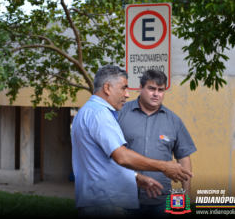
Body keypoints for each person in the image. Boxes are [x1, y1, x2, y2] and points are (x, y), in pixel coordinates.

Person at [71, 65, 194, 218]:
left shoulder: (88, 111)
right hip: (107, 201)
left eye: (160, 90)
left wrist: (135, 178)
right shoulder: (107, 114)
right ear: (108, 88)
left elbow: (103, 162)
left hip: (156, 199)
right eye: (123, 88)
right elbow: (121, 156)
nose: (127, 94)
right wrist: (163, 166)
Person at [118, 70, 197, 218]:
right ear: (140, 88)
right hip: (123, 197)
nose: (156, 94)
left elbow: (183, 157)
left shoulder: (174, 121)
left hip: (160, 200)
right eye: (151, 88)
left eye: (161, 90)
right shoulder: (121, 113)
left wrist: (185, 196)